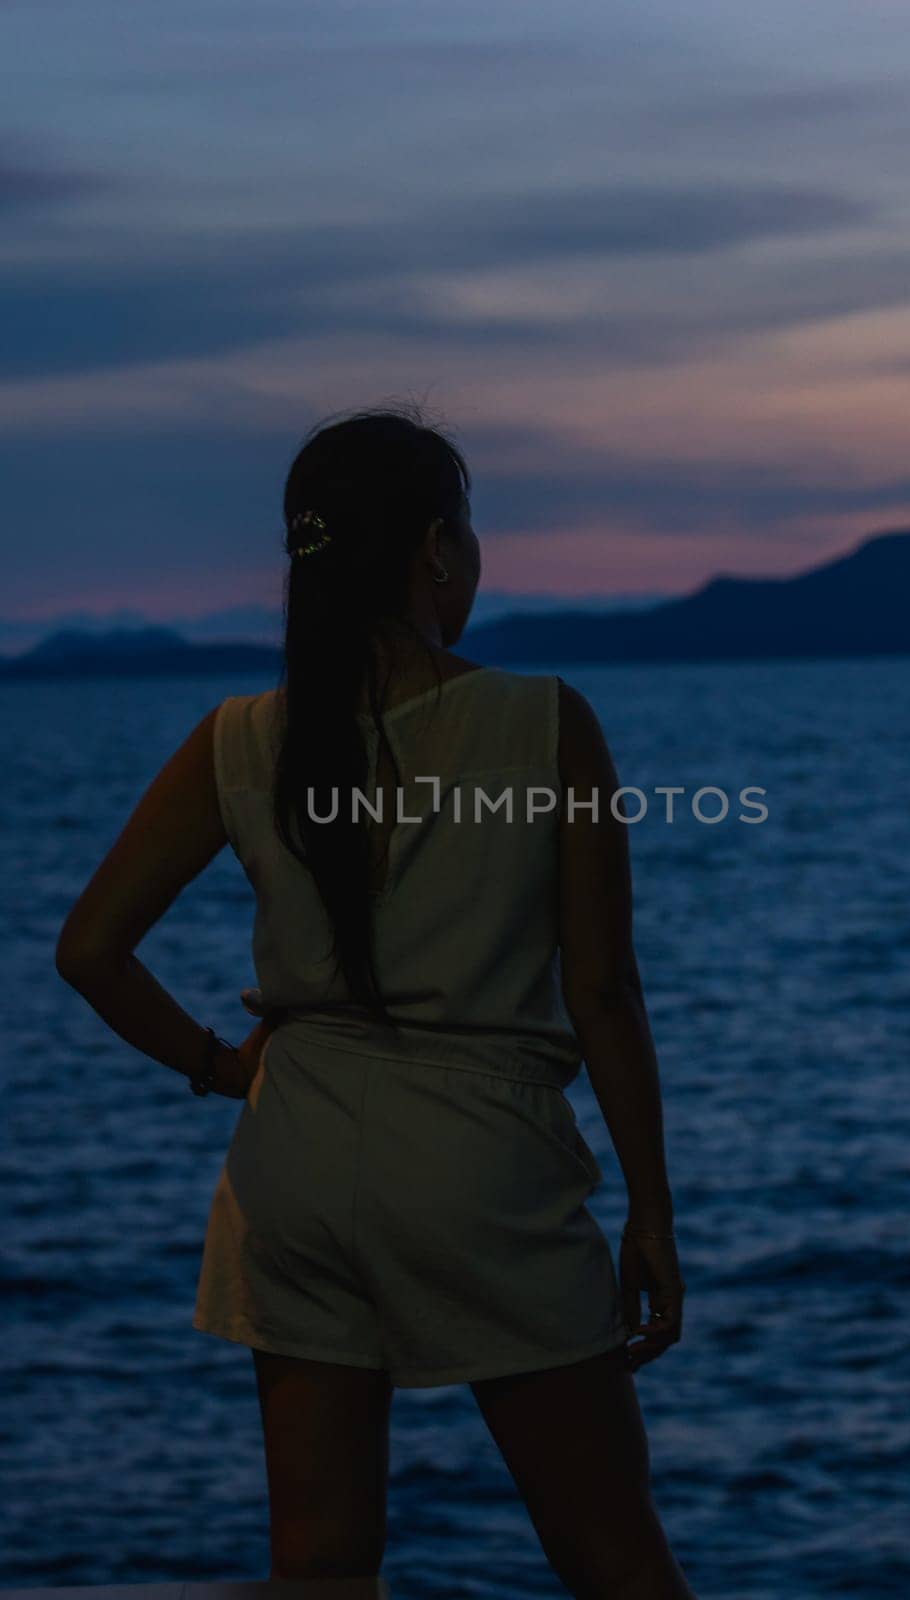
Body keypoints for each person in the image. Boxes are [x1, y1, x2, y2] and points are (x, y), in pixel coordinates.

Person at [54, 403, 695, 1600]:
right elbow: (603, 990)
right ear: (437, 551)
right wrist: (650, 1216)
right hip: (475, 1163)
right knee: (615, 1562)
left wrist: (223, 1065)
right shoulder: (542, 722)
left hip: (290, 1158)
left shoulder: (239, 738)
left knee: (322, 1571)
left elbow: (90, 949)